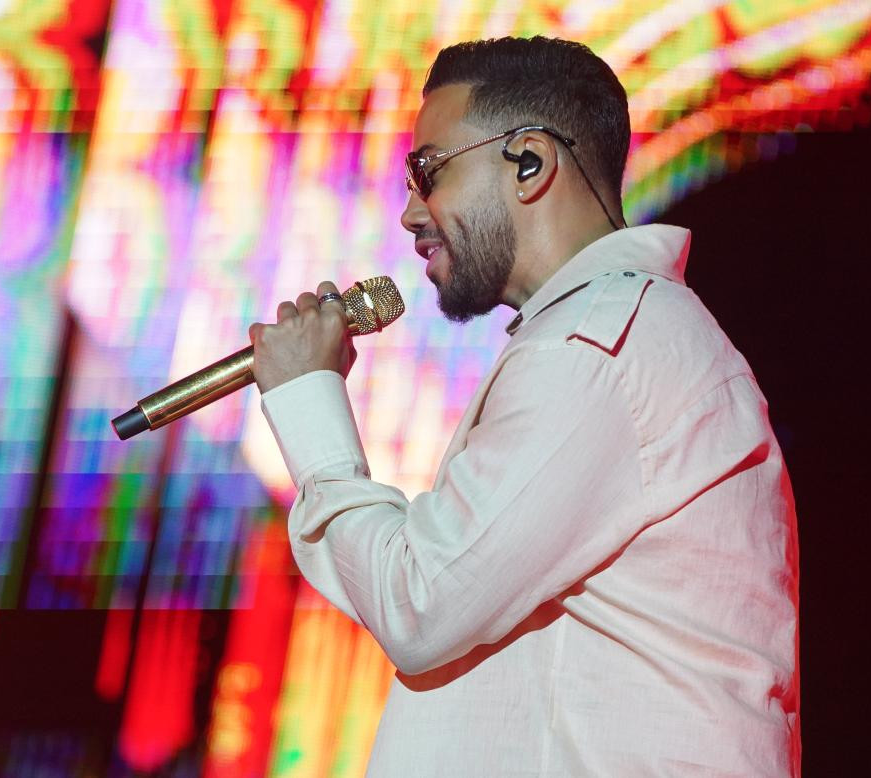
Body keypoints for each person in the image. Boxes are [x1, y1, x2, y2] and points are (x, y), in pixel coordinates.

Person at [249, 36, 799, 776]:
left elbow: (422, 600)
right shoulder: (613, 335)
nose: (411, 213)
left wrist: (307, 399)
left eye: (428, 172)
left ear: (530, 162)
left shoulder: (598, 347)